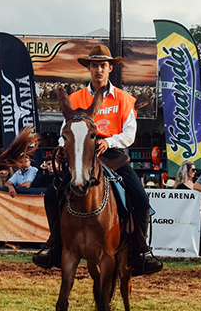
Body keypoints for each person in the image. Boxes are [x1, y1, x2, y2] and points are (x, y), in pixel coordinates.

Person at [32, 44, 163, 276]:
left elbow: (129, 134)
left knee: (141, 199)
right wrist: (62, 148)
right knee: (52, 194)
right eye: (94, 65)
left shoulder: (124, 99)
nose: (99, 70)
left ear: (110, 68)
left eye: (103, 65)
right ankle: (54, 246)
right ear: (89, 68)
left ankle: (140, 251)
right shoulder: (76, 98)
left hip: (113, 156)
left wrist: (108, 142)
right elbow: (66, 131)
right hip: (81, 156)